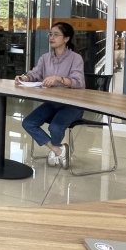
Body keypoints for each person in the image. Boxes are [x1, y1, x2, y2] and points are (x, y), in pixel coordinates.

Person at [17, 22, 85, 169]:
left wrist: (59, 79)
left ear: (66, 38)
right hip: (52, 103)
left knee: (55, 127)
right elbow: (35, 74)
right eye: (50, 34)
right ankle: (57, 150)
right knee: (28, 122)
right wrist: (25, 78)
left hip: (72, 105)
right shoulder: (45, 58)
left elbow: (78, 82)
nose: (52, 37)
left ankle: (55, 150)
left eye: (56, 35)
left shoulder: (76, 58)